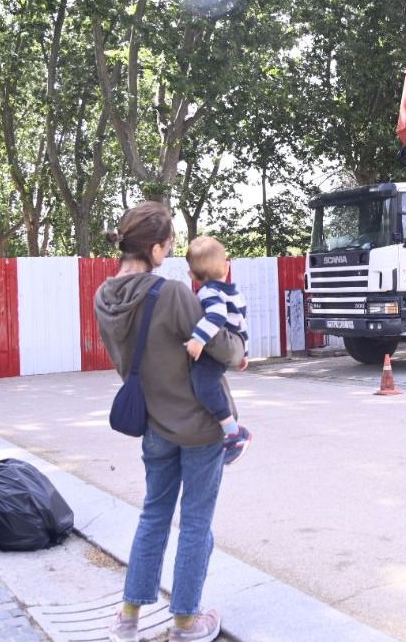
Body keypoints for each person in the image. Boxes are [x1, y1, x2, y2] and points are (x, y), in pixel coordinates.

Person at [94, 201, 246, 642]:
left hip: (153, 425)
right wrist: (238, 344)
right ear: (158, 249)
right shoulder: (172, 293)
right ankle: (184, 621)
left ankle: (127, 618)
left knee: (153, 516)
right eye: (169, 245)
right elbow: (223, 348)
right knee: (196, 522)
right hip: (199, 428)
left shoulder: (104, 298)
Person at [184, 235, 252, 464]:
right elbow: (242, 323)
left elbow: (217, 316)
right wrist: (246, 352)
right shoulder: (234, 292)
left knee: (204, 386)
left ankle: (234, 433)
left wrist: (198, 339)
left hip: (216, 349)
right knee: (211, 385)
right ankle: (230, 427)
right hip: (233, 345)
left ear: (192, 275)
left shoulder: (208, 292)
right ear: (227, 266)